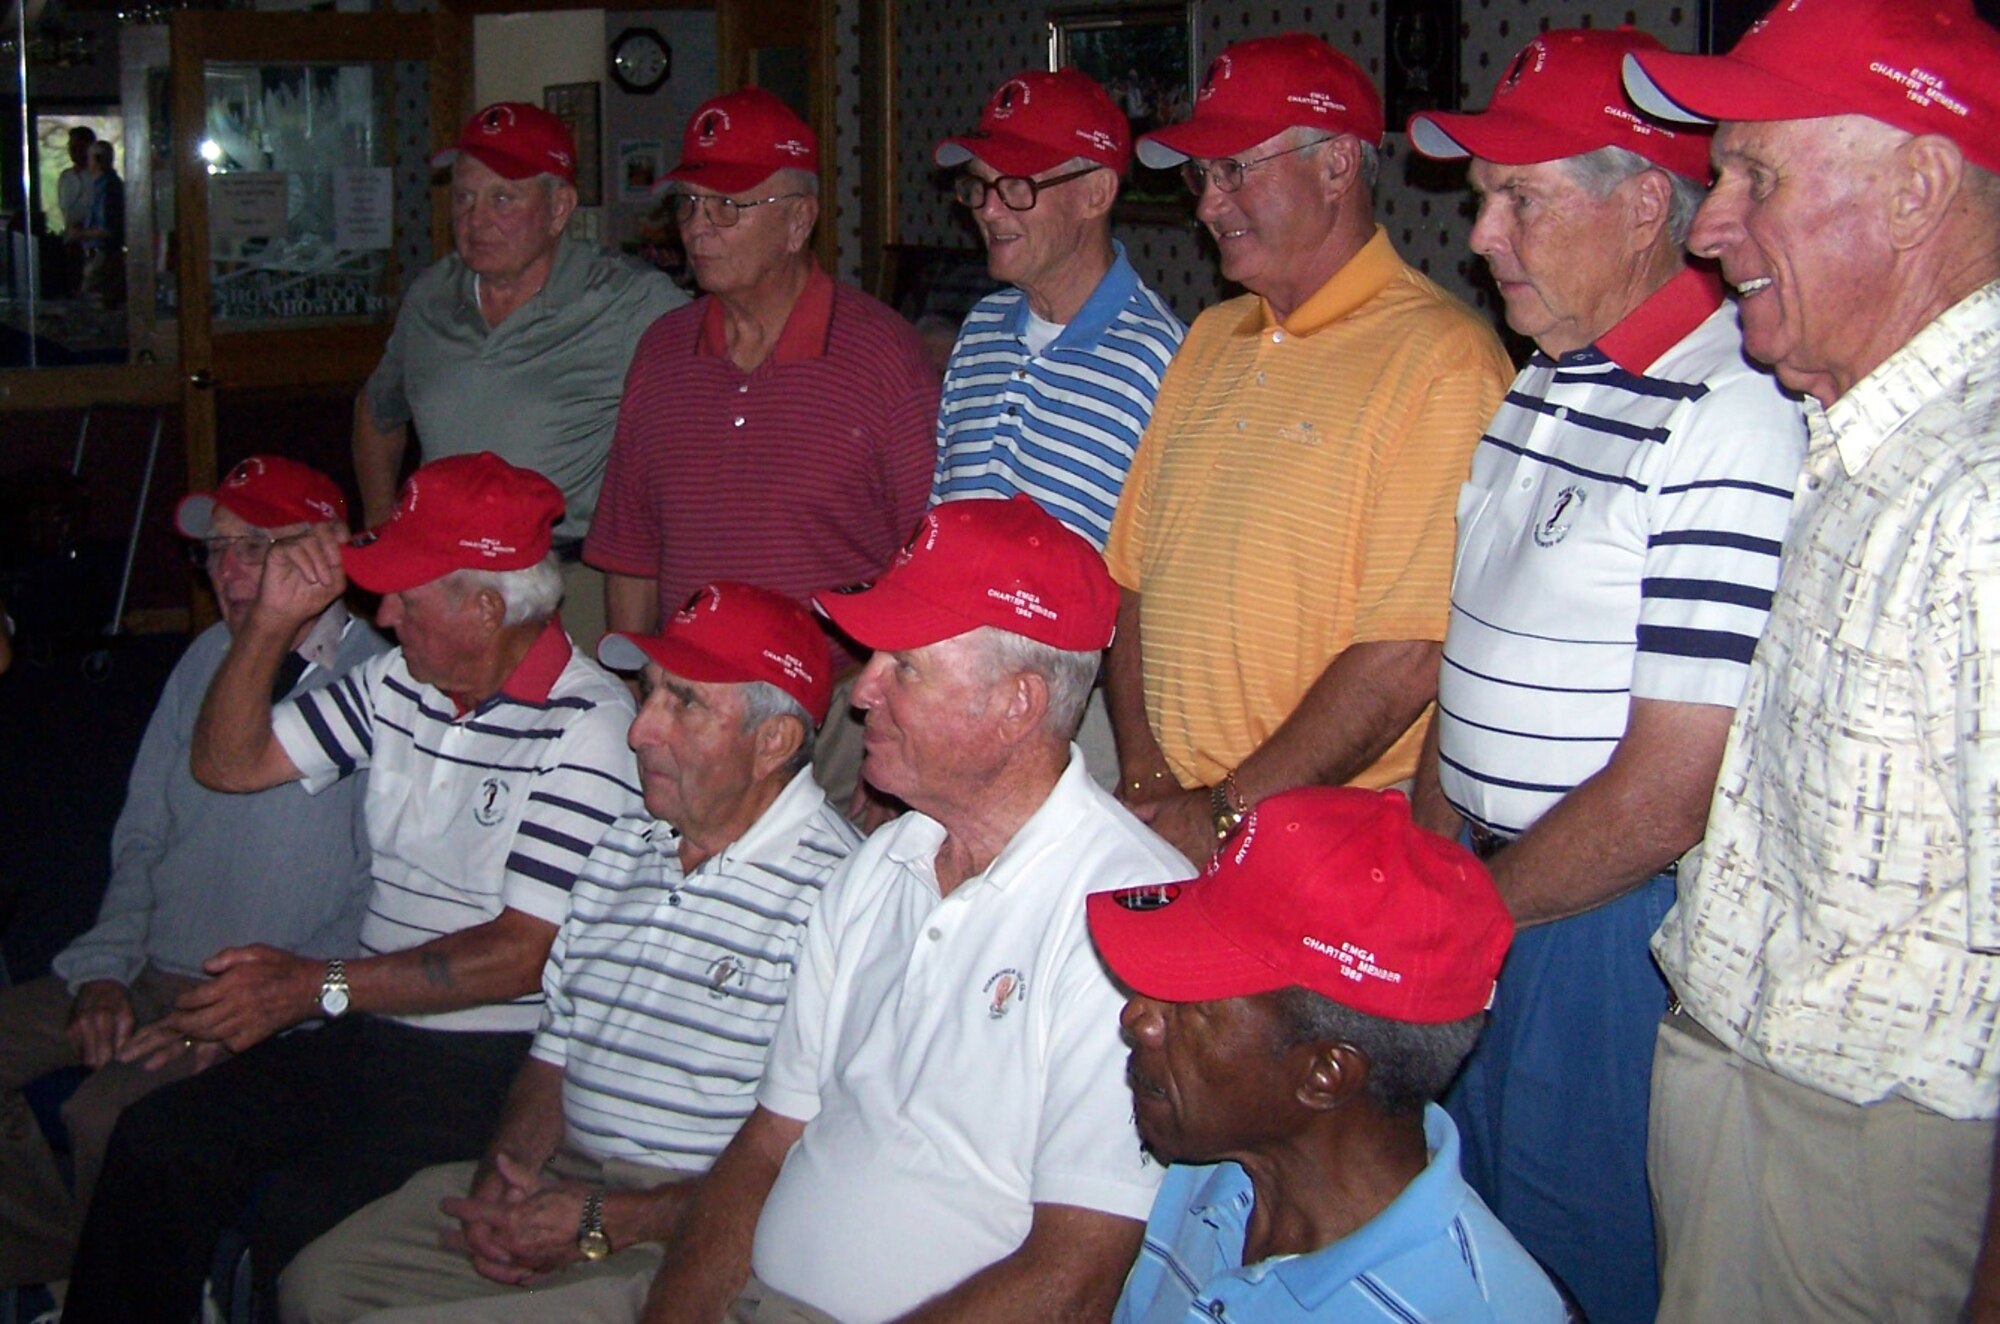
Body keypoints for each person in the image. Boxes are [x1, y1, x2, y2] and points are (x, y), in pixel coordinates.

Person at [1400, 28, 1806, 1324]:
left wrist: (1472, 917)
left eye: (1521, 198)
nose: (1482, 237)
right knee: (1465, 1240)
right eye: (1484, 201)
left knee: (1580, 1267)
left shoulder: (1731, 411)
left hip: (1598, 928)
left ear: (1643, 207)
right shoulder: (1543, 377)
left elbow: (1672, 790)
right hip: (1487, 883)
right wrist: (1425, 873)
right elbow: (1472, 652)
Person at [62, 452, 642, 1323]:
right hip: (367, 1027)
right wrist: (265, 626)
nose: (382, 611)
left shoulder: (589, 726)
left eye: (406, 593)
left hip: (488, 1061)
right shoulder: (401, 680)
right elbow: (227, 765)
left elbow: (524, 957)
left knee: (303, 1212)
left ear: (485, 608)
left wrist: (311, 987)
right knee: (159, 1139)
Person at [1618, 2, 2000, 1318]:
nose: (1711, 222)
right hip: (1754, 1096)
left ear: (1920, 188)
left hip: (1858, 1150)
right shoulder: (1865, 434)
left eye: (1755, 177)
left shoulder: (1983, 493)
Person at [636, 495, 1189, 1324]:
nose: (861, 693)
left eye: (907, 666)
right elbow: (767, 1144)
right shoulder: (879, 869)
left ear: (1018, 705)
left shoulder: (1130, 919)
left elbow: (1076, 1272)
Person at [278, 581, 861, 1323]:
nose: (640, 730)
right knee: (316, 1283)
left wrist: (611, 1216)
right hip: (561, 1181)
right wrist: (506, 1175)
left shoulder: (839, 896)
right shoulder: (625, 842)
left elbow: (814, 1167)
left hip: (692, 1229)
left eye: (683, 704)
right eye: (648, 693)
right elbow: (555, 1051)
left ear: (773, 742)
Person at [1104, 32, 1514, 865]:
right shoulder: (1211, 339)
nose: (1208, 206)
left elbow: (1405, 655)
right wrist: (1147, 775)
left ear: (1335, 167)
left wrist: (1223, 808)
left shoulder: (1442, 359)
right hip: (1173, 812)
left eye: (1234, 172)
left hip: (1327, 834)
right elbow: (1133, 582)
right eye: (1201, 177)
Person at [0, 457, 386, 1291]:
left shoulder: (380, 686)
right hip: (144, 965)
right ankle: (67, 1274)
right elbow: (142, 836)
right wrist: (104, 969)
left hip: (264, 998)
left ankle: (119, 1291)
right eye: (215, 550)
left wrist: (252, 1011)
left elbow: (378, 901)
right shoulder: (202, 659)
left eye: (257, 547)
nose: (227, 572)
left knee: (106, 1113)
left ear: (326, 553)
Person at [1089, 785, 1566, 1324]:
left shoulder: (1459, 1310)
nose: (1139, 1018)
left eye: (1192, 1003)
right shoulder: (1201, 1175)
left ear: (1325, 1076)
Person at [586, 88, 938, 810]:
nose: (697, 228)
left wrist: (893, 727)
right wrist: (634, 695)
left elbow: (922, 568)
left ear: (799, 221)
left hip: (833, 714)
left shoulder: (882, 358)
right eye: (688, 205)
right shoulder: (661, 352)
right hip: (685, 707)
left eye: (727, 206)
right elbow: (630, 550)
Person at [931, 67, 1186, 793]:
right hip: (952, 689)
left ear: (1096, 192)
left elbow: (1159, 590)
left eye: (1016, 185)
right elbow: (939, 521)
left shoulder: (1164, 359)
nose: (987, 209)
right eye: (978, 185)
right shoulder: (978, 332)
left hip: (1081, 722)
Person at [354, 102, 688, 649]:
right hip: (442, 582)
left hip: (563, 587)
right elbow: (377, 411)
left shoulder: (630, 302)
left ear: (560, 208)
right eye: (463, 196)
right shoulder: (431, 298)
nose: (474, 219)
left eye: (502, 198)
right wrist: (379, 527)